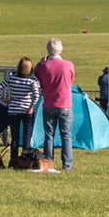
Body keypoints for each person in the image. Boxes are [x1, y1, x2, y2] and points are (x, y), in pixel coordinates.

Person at [34, 38, 76, 171]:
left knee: (49, 135)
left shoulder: (43, 66)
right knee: (66, 136)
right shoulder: (69, 65)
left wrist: (41, 62)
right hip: (65, 103)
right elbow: (71, 81)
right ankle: (67, 164)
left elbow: (37, 76)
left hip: (49, 103)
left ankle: (49, 160)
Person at [0, 57, 41, 164]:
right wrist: (31, 106)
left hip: (13, 110)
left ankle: (13, 161)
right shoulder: (32, 81)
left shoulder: (12, 78)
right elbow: (36, 95)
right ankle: (25, 160)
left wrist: (4, 100)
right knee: (27, 135)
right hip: (27, 111)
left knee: (14, 137)